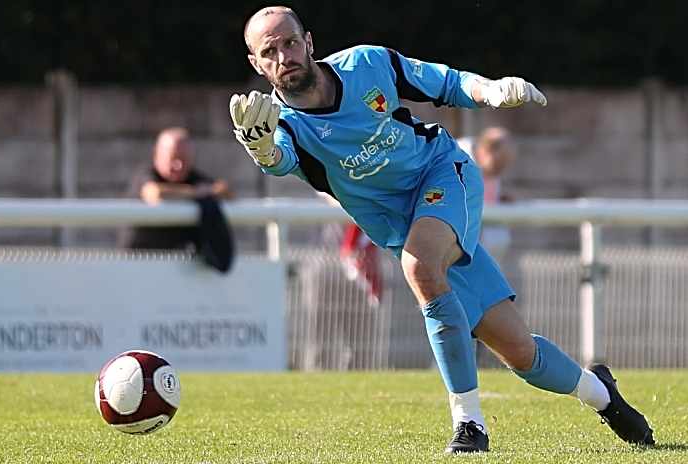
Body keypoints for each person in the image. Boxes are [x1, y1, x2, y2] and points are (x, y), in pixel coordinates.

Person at [231, 6, 654, 453]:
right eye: (269, 50)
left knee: (420, 265)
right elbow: (279, 162)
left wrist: (489, 90)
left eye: (290, 42)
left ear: (310, 42)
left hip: (442, 174)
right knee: (520, 353)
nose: (284, 55)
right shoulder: (283, 127)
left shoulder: (367, 64)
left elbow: (447, 83)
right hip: (401, 225)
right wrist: (260, 150)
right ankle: (604, 395)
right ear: (257, 64)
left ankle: (469, 424)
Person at [118, 127, 236, 273]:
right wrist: (196, 193)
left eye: (185, 160)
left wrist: (207, 192)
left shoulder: (191, 177)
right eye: (173, 158)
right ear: (156, 154)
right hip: (136, 267)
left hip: (174, 271)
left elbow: (226, 192)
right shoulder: (146, 174)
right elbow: (156, 194)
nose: (178, 166)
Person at [459, 127, 517, 263]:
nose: (499, 171)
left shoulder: (489, 168)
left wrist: (500, 197)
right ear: (483, 152)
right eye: (498, 165)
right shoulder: (459, 160)